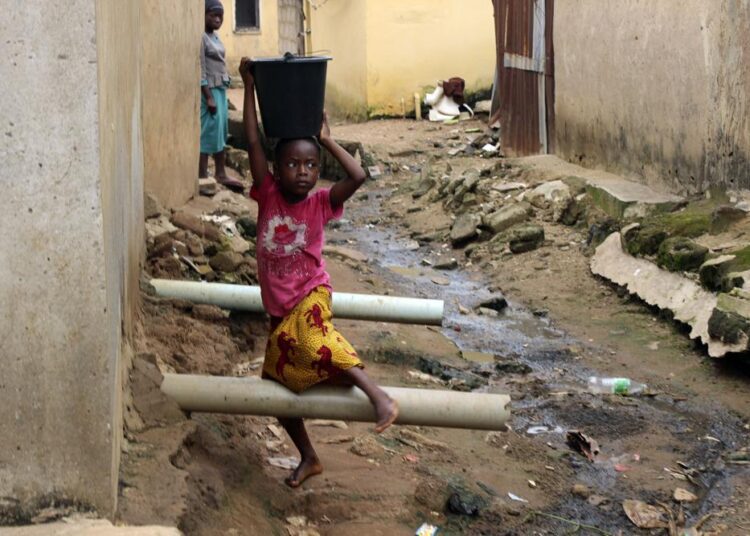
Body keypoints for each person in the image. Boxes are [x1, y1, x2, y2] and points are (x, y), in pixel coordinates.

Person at [239, 56, 399, 488]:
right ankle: (310, 456)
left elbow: (358, 175)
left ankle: (377, 395)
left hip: (311, 295)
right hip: (279, 310)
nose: (304, 173)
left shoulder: (320, 204)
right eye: (293, 164)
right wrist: (249, 87)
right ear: (275, 170)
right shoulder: (268, 194)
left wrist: (325, 140)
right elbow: (253, 140)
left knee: (310, 338)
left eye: (310, 166)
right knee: (277, 387)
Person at [199, 0, 244, 192]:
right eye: (213, 15)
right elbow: (201, 69)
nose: (217, 19)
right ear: (204, 16)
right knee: (209, 132)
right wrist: (208, 96)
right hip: (210, 91)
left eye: (220, 16)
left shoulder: (215, 37)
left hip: (221, 90)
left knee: (221, 131)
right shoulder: (202, 38)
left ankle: (220, 172)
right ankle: (202, 173)